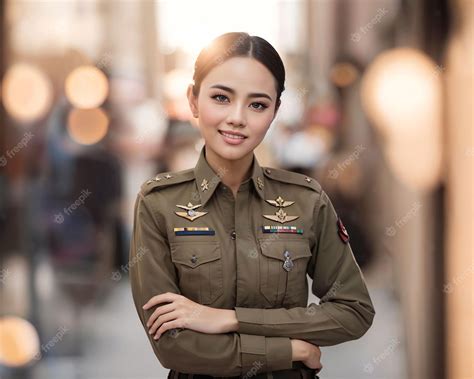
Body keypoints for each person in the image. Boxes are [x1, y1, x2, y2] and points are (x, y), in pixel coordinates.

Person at [129, 32, 375, 379]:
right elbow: (172, 344)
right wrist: (290, 349)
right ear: (194, 101)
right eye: (221, 98)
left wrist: (228, 319)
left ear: (275, 111)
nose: (237, 118)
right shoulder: (159, 204)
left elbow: (354, 312)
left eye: (257, 104)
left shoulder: (305, 200)